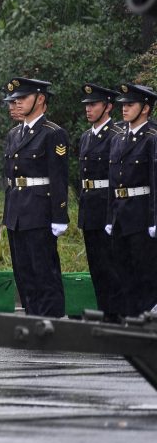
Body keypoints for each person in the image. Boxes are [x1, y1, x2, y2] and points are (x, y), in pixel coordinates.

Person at [2, 77, 68, 318]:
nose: (14, 105)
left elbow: (59, 178)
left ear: (40, 99)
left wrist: (60, 215)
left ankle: (52, 320)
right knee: (23, 271)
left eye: (21, 100)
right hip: (17, 212)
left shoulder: (52, 134)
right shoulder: (14, 134)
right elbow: (9, 178)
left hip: (40, 211)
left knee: (44, 271)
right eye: (12, 101)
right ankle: (33, 317)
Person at [105, 83, 157, 317]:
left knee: (145, 274)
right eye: (122, 105)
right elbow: (113, 182)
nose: (124, 109)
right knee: (123, 274)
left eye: (130, 105)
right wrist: (109, 216)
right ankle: (130, 323)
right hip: (121, 214)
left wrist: (154, 218)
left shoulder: (152, 138)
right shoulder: (118, 138)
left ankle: (146, 326)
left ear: (145, 108)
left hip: (141, 213)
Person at [78, 84, 121, 319]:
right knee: (96, 267)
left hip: (107, 207)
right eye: (87, 105)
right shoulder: (86, 137)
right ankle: (106, 313)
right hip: (90, 208)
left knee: (111, 267)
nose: (89, 109)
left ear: (108, 106)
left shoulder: (116, 135)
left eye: (93, 104)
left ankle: (116, 317)